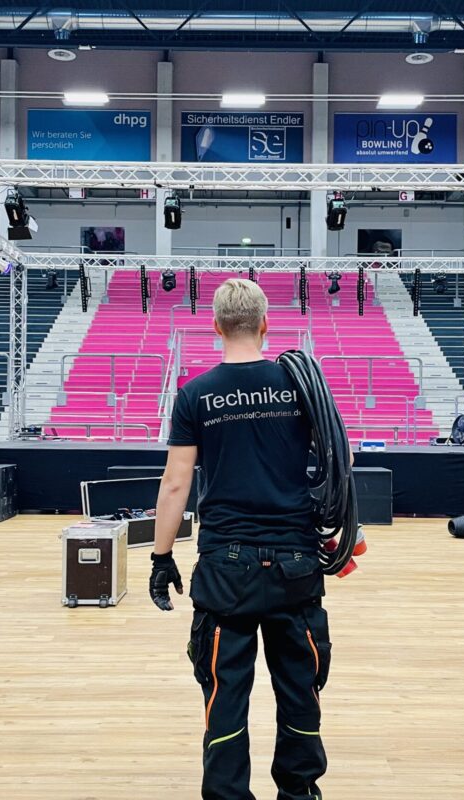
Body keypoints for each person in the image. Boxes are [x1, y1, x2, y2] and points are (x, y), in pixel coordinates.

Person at [149, 278, 332, 800]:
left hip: (225, 570)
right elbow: (337, 462)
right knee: (300, 687)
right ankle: (299, 793)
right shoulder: (300, 388)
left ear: (215, 326)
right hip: (297, 563)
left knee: (225, 689)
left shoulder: (194, 394)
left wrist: (161, 558)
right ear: (265, 324)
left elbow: (176, 483)